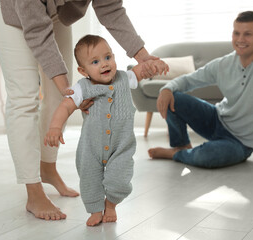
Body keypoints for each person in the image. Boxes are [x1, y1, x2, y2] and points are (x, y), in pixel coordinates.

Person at [0, 0, 160, 221]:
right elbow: (37, 31)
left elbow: (110, 8)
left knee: (58, 93)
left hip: (55, 11)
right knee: (24, 97)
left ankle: (48, 168)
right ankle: (33, 191)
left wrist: (143, 57)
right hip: (13, 9)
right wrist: (70, 95)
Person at [44, 35, 168, 226]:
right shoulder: (82, 88)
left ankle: (111, 205)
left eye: (108, 57)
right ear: (82, 70)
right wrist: (54, 127)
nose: (104, 64)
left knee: (120, 178)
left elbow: (143, 69)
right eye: (95, 61)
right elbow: (66, 106)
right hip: (90, 148)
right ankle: (95, 210)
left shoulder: (124, 78)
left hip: (121, 147)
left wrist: (155, 65)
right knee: (89, 178)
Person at [148, 11, 253, 171]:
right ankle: (181, 146)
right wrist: (167, 88)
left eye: (247, 34)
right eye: (236, 33)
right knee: (172, 96)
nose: (240, 39)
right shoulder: (224, 63)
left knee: (208, 156)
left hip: (241, 142)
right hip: (216, 119)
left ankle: (177, 155)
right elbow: (189, 80)